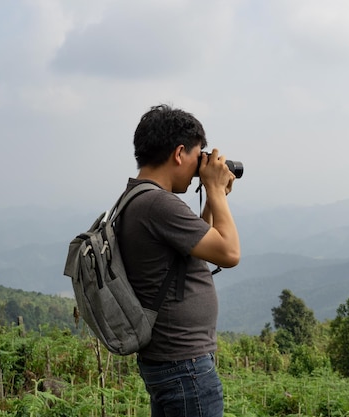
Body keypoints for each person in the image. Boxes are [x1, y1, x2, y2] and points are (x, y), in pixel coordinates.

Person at [116, 104, 240, 417]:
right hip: (185, 368)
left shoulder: (139, 197)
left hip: (171, 364)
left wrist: (214, 198)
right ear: (179, 153)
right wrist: (216, 190)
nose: (201, 165)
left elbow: (198, 245)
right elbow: (229, 253)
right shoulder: (158, 203)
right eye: (199, 156)